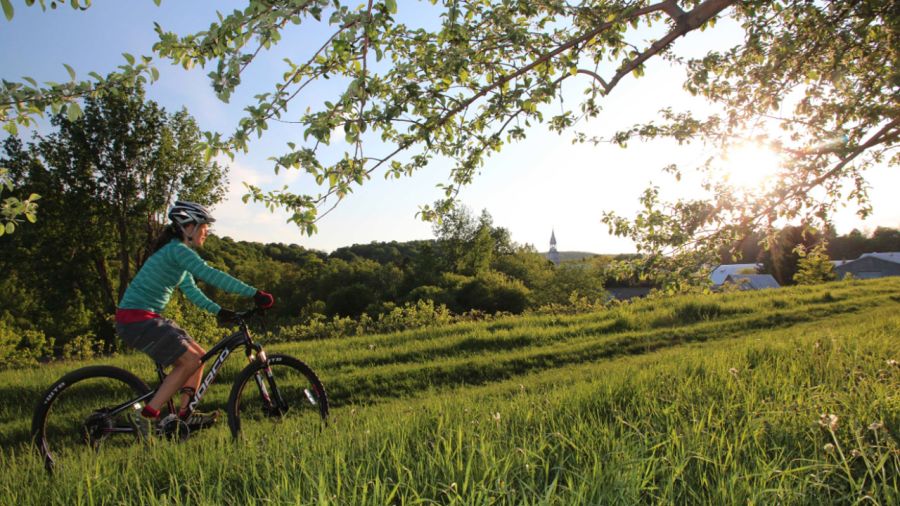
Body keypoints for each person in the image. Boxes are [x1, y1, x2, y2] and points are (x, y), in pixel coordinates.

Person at [115, 200, 274, 437]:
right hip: (137, 319)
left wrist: (220, 311)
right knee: (190, 361)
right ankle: (147, 416)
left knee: (199, 357)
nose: (207, 232)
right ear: (187, 227)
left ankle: (183, 418)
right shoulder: (177, 250)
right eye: (203, 227)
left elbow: (193, 292)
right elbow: (210, 274)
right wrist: (254, 293)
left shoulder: (176, 254)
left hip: (144, 317)